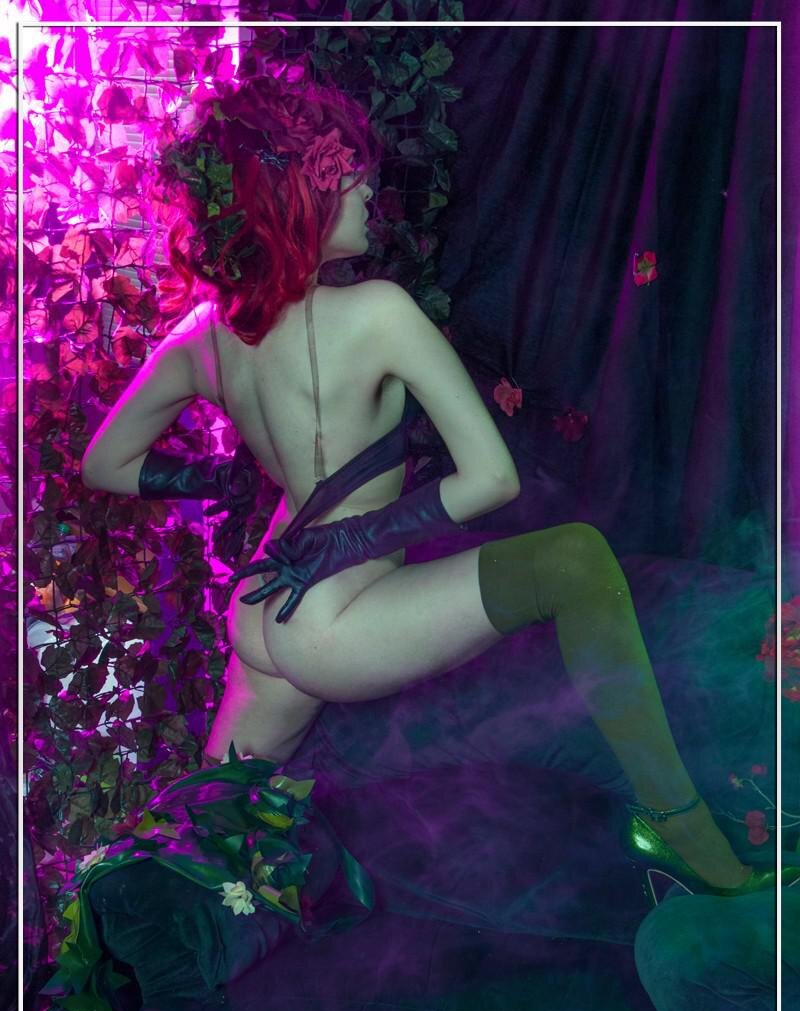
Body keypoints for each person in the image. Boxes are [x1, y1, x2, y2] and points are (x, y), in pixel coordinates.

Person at [81, 73, 794, 901]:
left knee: (203, 836)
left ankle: (119, 928)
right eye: (350, 174)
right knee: (577, 560)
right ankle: (682, 830)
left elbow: (105, 465)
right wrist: (351, 537)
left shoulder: (204, 334)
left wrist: (231, 479)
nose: (368, 191)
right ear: (300, 193)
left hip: (263, 604)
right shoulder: (378, 312)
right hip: (333, 619)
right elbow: (491, 477)